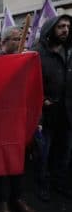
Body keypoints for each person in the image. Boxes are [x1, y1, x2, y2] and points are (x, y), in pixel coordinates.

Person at [0, 26, 40, 212]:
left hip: (17, 120)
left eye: (23, 37)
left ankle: (17, 199)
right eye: (16, 38)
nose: (21, 40)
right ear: (4, 43)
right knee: (0, 165)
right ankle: (1, 203)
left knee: (17, 163)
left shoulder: (26, 61)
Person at [34, 14, 72, 201]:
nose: (65, 30)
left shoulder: (69, 51)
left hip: (67, 113)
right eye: (61, 26)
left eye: (67, 26)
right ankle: (43, 185)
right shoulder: (37, 53)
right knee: (44, 153)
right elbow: (30, 83)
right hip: (47, 115)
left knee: (64, 151)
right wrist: (40, 100)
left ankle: (60, 182)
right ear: (51, 29)